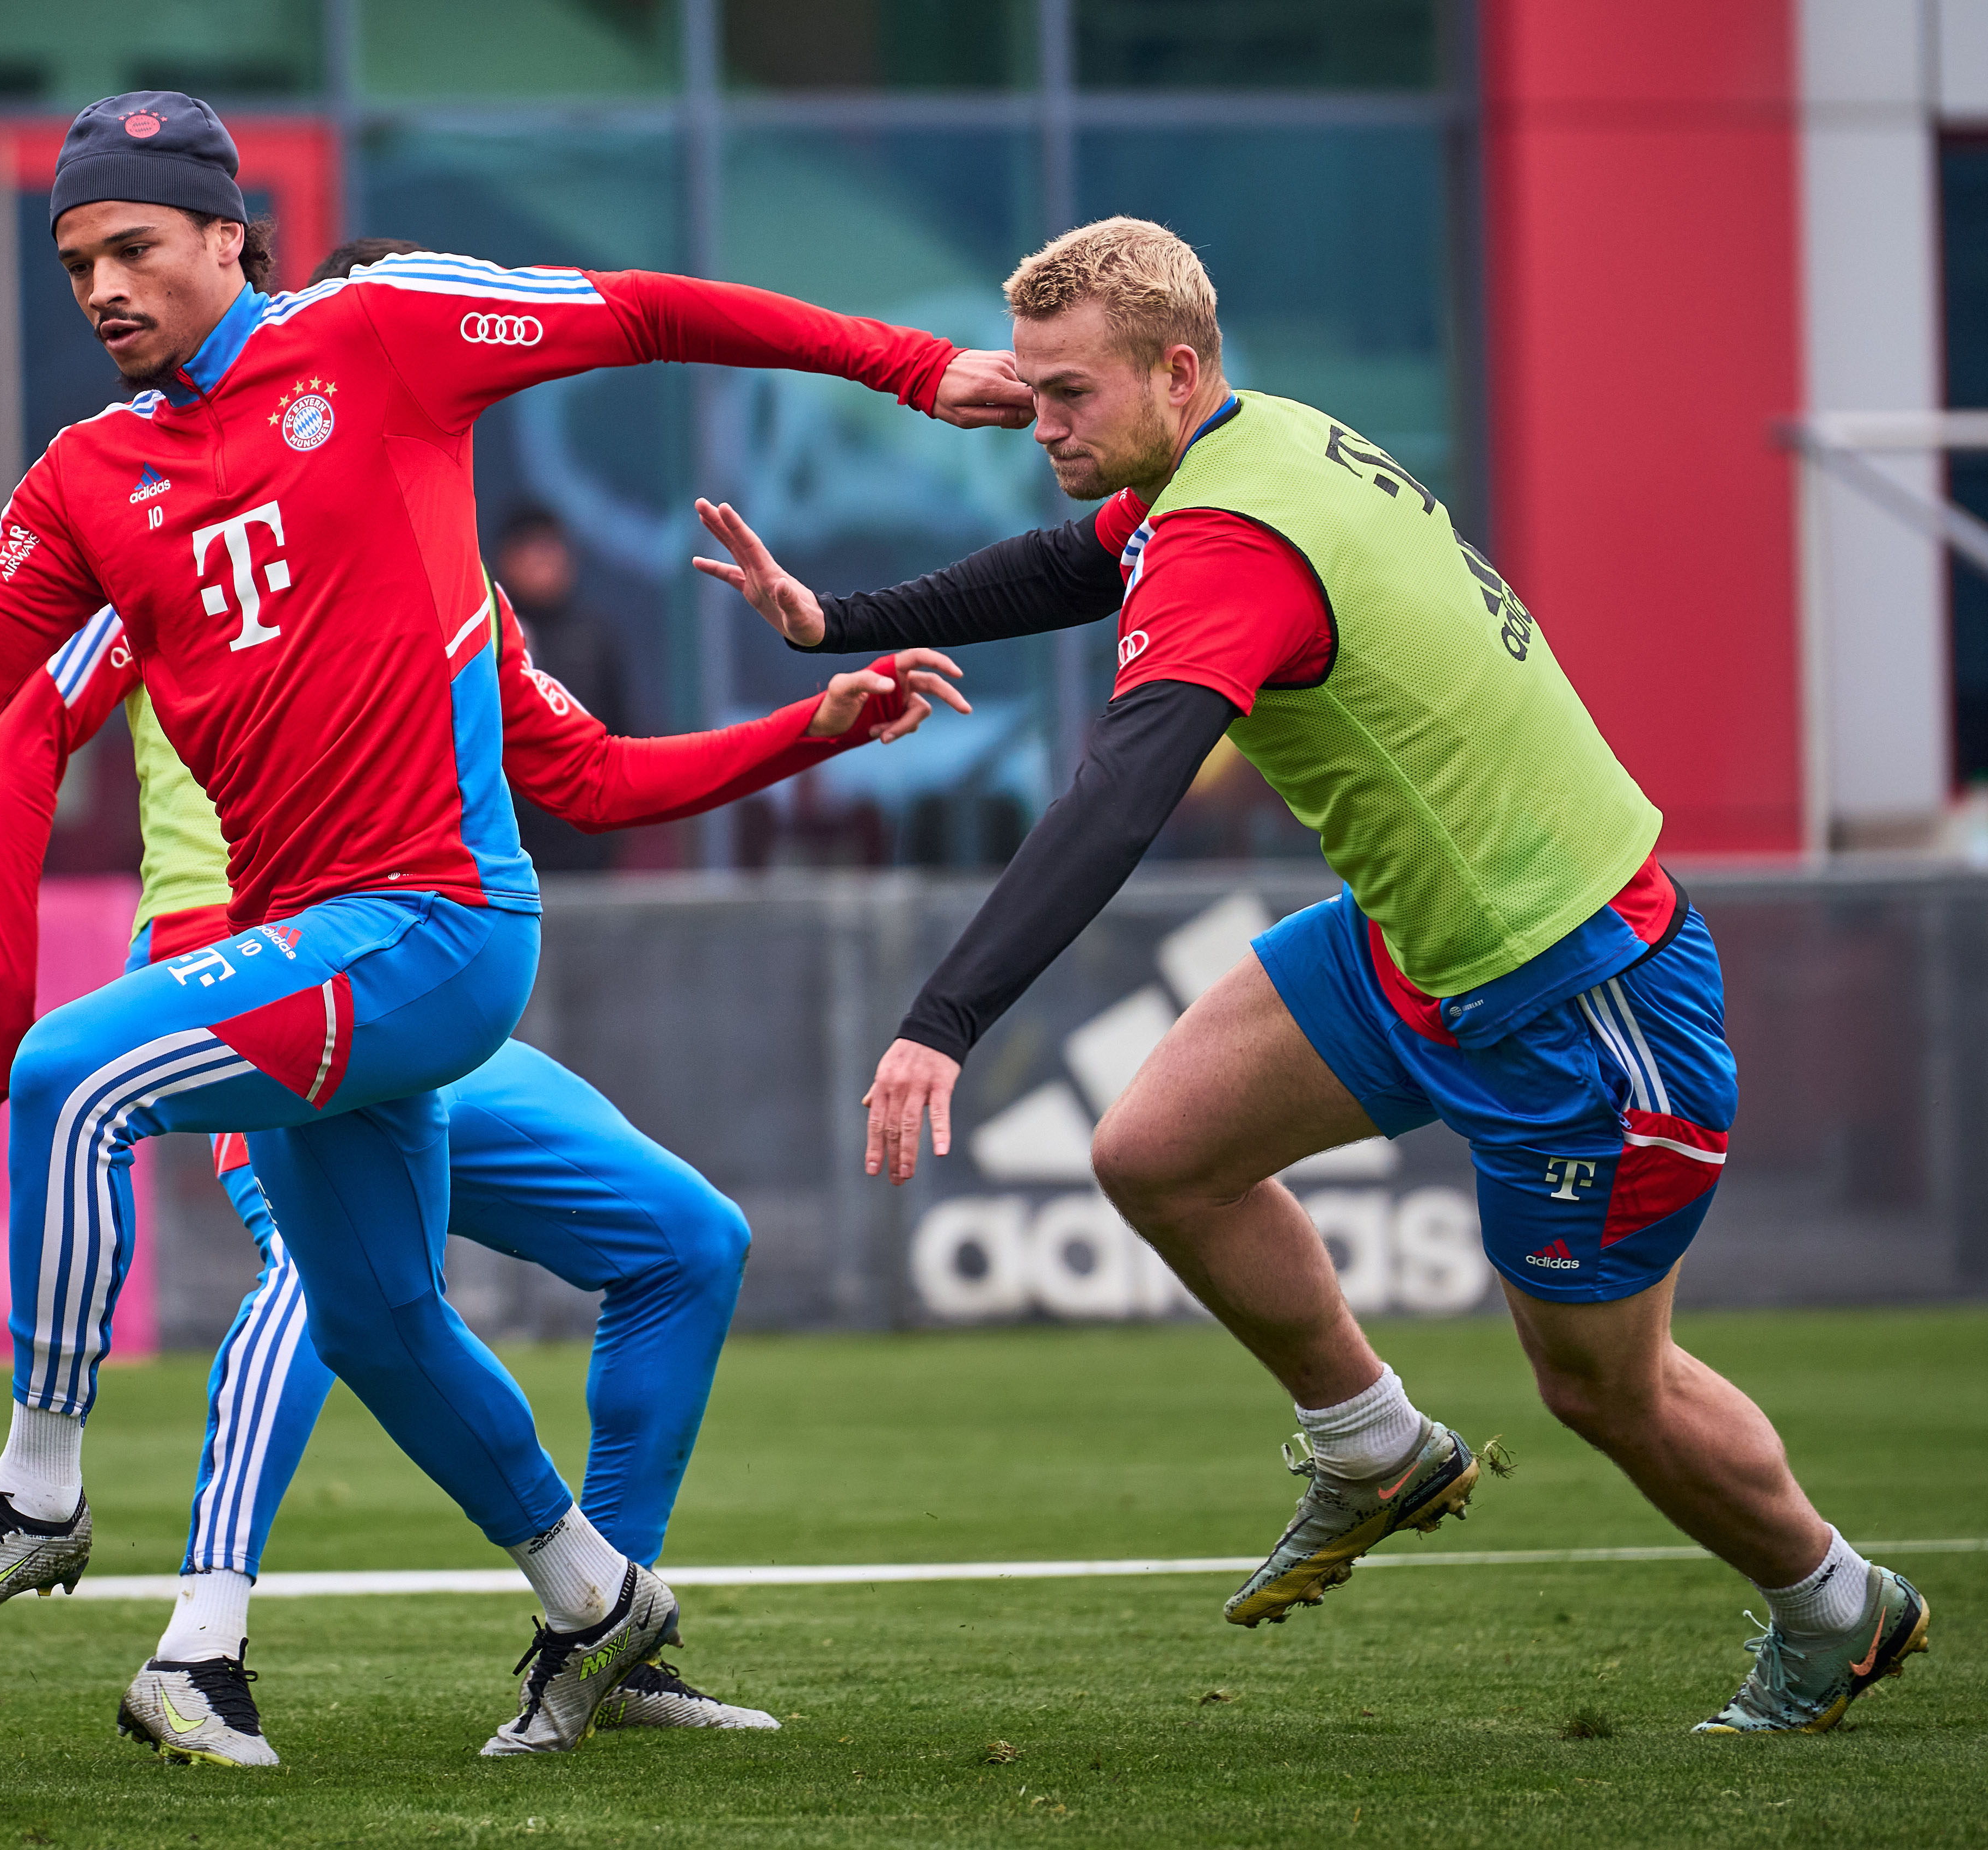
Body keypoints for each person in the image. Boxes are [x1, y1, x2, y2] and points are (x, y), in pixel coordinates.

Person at [0, 91, 1030, 1755]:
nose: (98, 284)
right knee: (373, 1312)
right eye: (73, 256)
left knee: (66, 1075)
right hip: (300, 952)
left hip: (429, 927)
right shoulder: (87, 475)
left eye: (134, 247)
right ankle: (599, 1601)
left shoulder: (374, 336)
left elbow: (646, 310)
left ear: (229, 235)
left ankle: (43, 1492)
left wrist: (905, 365)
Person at [694, 217, 1931, 1735]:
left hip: (1581, 990)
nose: (1040, 424)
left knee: (1605, 1389)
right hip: (1422, 944)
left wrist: (940, 1024)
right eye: (1031, 391)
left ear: (1176, 369)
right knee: (1155, 1153)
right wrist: (840, 621)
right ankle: (1369, 1445)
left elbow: (1117, 796)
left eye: (1068, 395)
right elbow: (1067, 567)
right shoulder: (1233, 450)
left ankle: (1834, 1601)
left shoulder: (1231, 538)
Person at [0, 543, 958, 1761]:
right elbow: (28, 723)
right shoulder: (193, 528)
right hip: (236, 987)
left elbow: (594, 774)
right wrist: (4, 990)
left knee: (687, 1241)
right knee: (314, 1286)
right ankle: (196, 1649)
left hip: (409, 990)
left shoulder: (452, 578)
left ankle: (603, 1632)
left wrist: (816, 727)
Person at [490, 503, 635, 872]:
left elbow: (621, 734)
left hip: (586, 844)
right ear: (506, 559)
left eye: (550, 548)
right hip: (506, 844)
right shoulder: (486, 637)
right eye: (529, 549)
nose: (542, 561)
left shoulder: (595, 637)